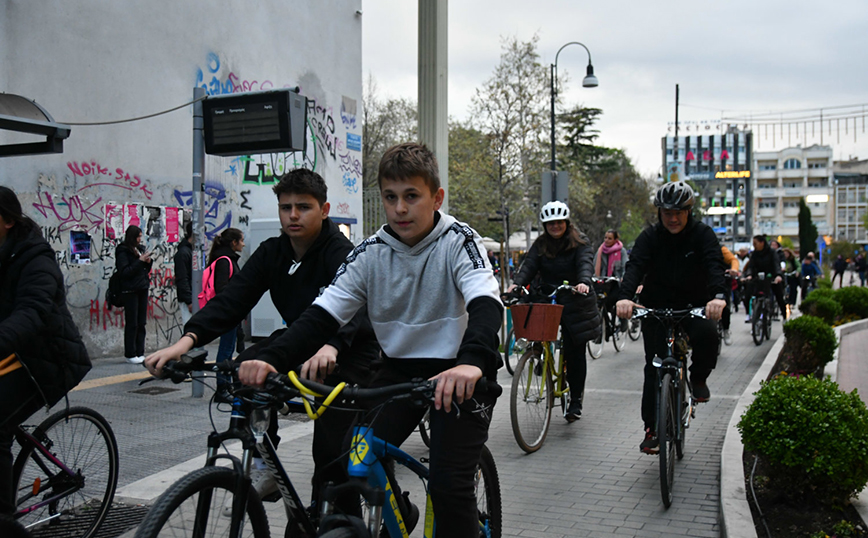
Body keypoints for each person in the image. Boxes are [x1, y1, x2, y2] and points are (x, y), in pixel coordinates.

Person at [229, 143, 502, 538]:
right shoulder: (370, 252)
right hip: (399, 372)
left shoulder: (459, 240)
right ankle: (399, 512)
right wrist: (272, 357)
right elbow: (322, 314)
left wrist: (472, 362)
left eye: (411, 196)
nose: (400, 209)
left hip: (460, 372)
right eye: (390, 197)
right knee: (352, 459)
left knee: (448, 486)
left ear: (436, 197)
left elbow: (485, 302)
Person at [146, 168, 379, 516]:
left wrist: (332, 345)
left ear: (324, 210)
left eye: (304, 207)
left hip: (351, 348)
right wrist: (185, 342)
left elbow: (355, 306)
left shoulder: (340, 251)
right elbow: (232, 300)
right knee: (245, 369)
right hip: (299, 341)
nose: (293, 215)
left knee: (331, 456)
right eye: (286, 207)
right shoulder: (273, 252)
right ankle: (262, 464)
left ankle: (346, 520)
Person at [615, 181, 726, 455]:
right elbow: (635, 266)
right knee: (653, 367)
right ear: (659, 213)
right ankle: (652, 429)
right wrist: (625, 297)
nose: (673, 218)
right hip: (657, 306)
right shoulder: (650, 237)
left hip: (693, 305)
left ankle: (698, 378)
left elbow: (714, 265)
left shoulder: (703, 235)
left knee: (708, 335)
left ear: (689, 212)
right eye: (667, 213)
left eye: (679, 212)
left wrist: (717, 296)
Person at [0, 186, 91, 516]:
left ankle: (4, 521)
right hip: (12, 353)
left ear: (8, 221)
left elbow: (32, 312)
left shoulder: (35, 258)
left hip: (46, 360)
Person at [507, 202, 601, 422]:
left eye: (559, 222)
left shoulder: (580, 242)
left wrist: (584, 282)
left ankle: (575, 399)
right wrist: (517, 284)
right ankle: (539, 357)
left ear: (566, 223)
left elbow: (585, 264)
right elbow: (529, 266)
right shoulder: (541, 244)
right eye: (550, 224)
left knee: (575, 351)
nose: (555, 227)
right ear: (545, 226)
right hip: (548, 295)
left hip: (575, 298)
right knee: (536, 332)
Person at [204, 228, 244, 385]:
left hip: (231, 311)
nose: (243, 244)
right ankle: (222, 387)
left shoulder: (227, 259)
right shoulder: (224, 261)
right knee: (225, 351)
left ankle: (226, 385)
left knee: (229, 350)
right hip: (228, 311)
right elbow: (221, 288)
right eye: (241, 240)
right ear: (234, 243)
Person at [117, 225, 152, 364]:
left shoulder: (140, 249)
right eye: (138, 237)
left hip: (142, 287)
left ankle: (140, 351)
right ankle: (130, 353)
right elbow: (125, 271)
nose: (139, 239)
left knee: (141, 322)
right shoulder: (123, 251)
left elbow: (144, 269)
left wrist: (148, 262)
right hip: (130, 290)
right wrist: (139, 261)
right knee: (132, 322)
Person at [742, 235, 785, 322]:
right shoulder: (754, 254)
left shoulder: (772, 252)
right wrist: (749, 275)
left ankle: (784, 316)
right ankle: (750, 314)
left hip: (771, 276)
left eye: (755, 243)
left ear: (762, 243)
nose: (754, 245)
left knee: (779, 295)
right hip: (757, 277)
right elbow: (751, 266)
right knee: (747, 294)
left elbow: (776, 264)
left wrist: (778, 275)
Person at [174, 220, 193, 324]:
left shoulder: (193, 251)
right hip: (188, 299)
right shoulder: (183, 253)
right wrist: (189, 301)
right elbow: (182, 278)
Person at [720, 245, 740, 344]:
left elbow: (733, 260)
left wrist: (734, 270)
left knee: (725, 306)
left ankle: (726, 330)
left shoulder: (721, 249)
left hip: (722, 281)